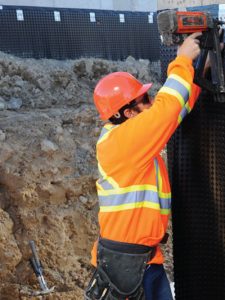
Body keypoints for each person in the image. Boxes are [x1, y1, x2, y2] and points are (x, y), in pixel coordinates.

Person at [85, 32, 202, 300]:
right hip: (126, 265)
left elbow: (173, 115)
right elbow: (166, 110)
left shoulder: (129, 139)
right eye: (145, 100)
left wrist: (195, 77)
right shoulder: (123, 142)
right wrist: (182, 60)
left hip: (143, 261)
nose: (151, 101)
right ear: (128, 113)